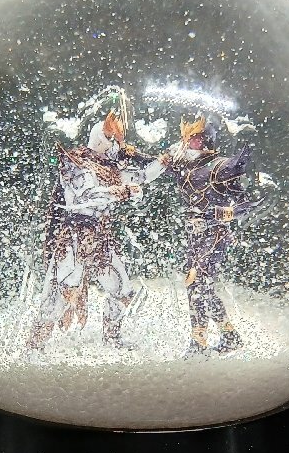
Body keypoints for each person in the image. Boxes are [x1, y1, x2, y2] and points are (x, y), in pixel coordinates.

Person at [27, 108, 163, 351]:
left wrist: (164, 161)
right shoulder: (74, 162)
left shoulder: (110, 168)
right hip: (74, 239)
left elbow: (141, 176)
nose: (117, 147)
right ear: (102, 139)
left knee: (122, 290)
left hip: (101, 239)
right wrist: (122, 192)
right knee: (60, 295)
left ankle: (112, 338)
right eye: (114, 141)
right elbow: (86, 196)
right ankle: (34, 346)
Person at [163, 115, 258, 355]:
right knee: (201, 287)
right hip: (194, 236)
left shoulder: (220, 167)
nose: (189, 141)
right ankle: (229, 335)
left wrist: (223, 214)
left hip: (215, 234)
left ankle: (199, 343)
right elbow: (154, 166)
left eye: (194, 137)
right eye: (187, 137)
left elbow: (248, 203)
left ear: (206, 139)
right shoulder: (183, 165)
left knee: (197, 283)